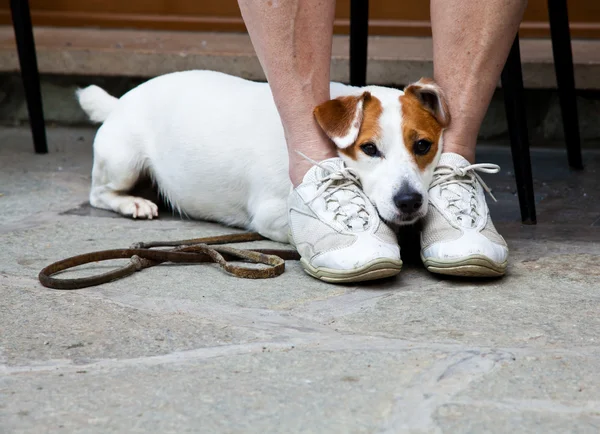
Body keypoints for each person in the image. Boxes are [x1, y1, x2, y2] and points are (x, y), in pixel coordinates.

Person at [237, 0, 527, 282]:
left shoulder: (410, 110)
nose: (408, 193)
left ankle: (455, 165)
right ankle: (315, 186)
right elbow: (269, 216)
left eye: (422, 147)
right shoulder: (342, 114)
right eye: (372, 149)